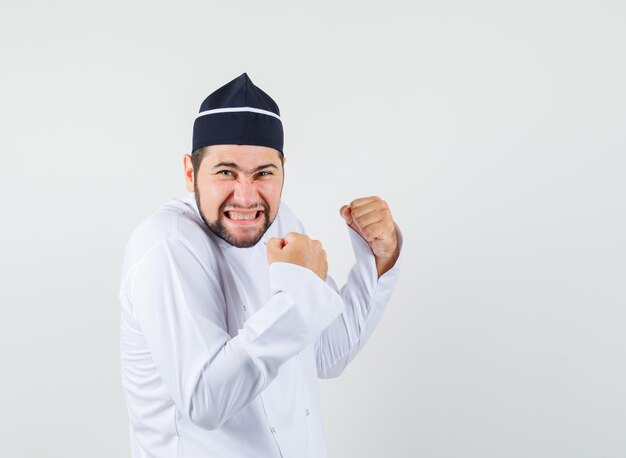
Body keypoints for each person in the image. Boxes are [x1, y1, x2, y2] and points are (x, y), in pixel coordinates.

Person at [119, 73, 403, 457]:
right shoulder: (166, 243)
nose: (246, 195)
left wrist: (379, 259)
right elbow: (206, 399)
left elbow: (326, 354)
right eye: (226, 172)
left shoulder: (280, 221)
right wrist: (301, 295)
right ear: (191, 172)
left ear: (283, 170)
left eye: (264, 173)